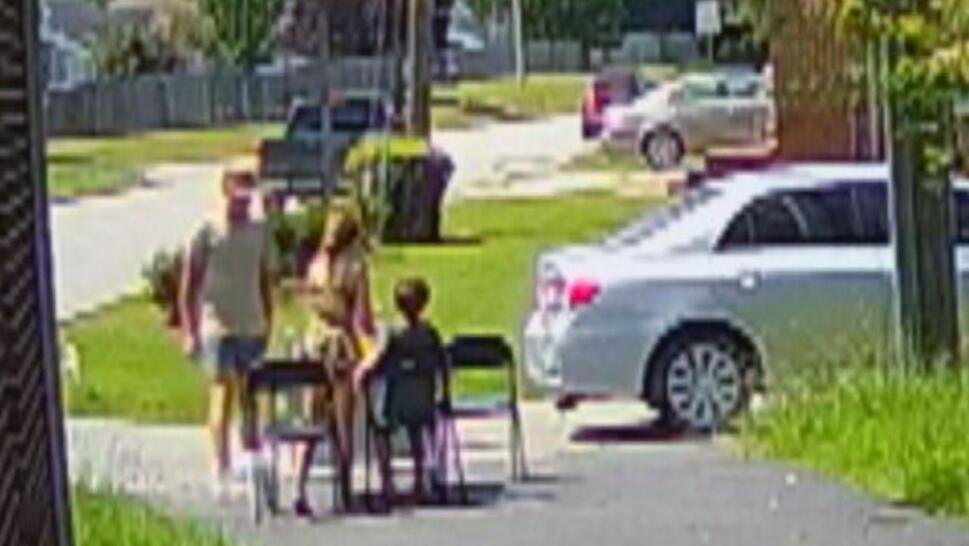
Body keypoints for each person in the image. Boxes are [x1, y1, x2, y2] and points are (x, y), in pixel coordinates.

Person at [179, 170, 275, 496]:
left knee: (250, 394)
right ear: (225, 191)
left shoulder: (258, 232)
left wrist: (268, 322)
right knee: (222, 393)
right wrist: (189, 330)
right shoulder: (207, 232)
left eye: (248, 197)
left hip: (251, 322)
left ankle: (251, 457)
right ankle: (220, 467)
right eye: (238, 196)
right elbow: (189, 284)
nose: (243, 204)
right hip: (217, 325)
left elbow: (264, 279)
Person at [294, 207, 376, 516]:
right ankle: (344, 487)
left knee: (311, 419)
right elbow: (362, 318)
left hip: (314, 343)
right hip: (341, 347)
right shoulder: (354, 268)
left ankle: (299, 486)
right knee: (344, 422)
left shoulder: (315, 266)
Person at [357, 277, 450, 508]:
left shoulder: (392, 334)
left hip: (395, 403)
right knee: (417, 431)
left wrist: (360, 373)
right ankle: (420, 479)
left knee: (381, 429)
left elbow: (375, 362)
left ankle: (387, 481)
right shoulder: (430, 333)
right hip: (424, 401)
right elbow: (443, 364)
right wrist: (444, 394)